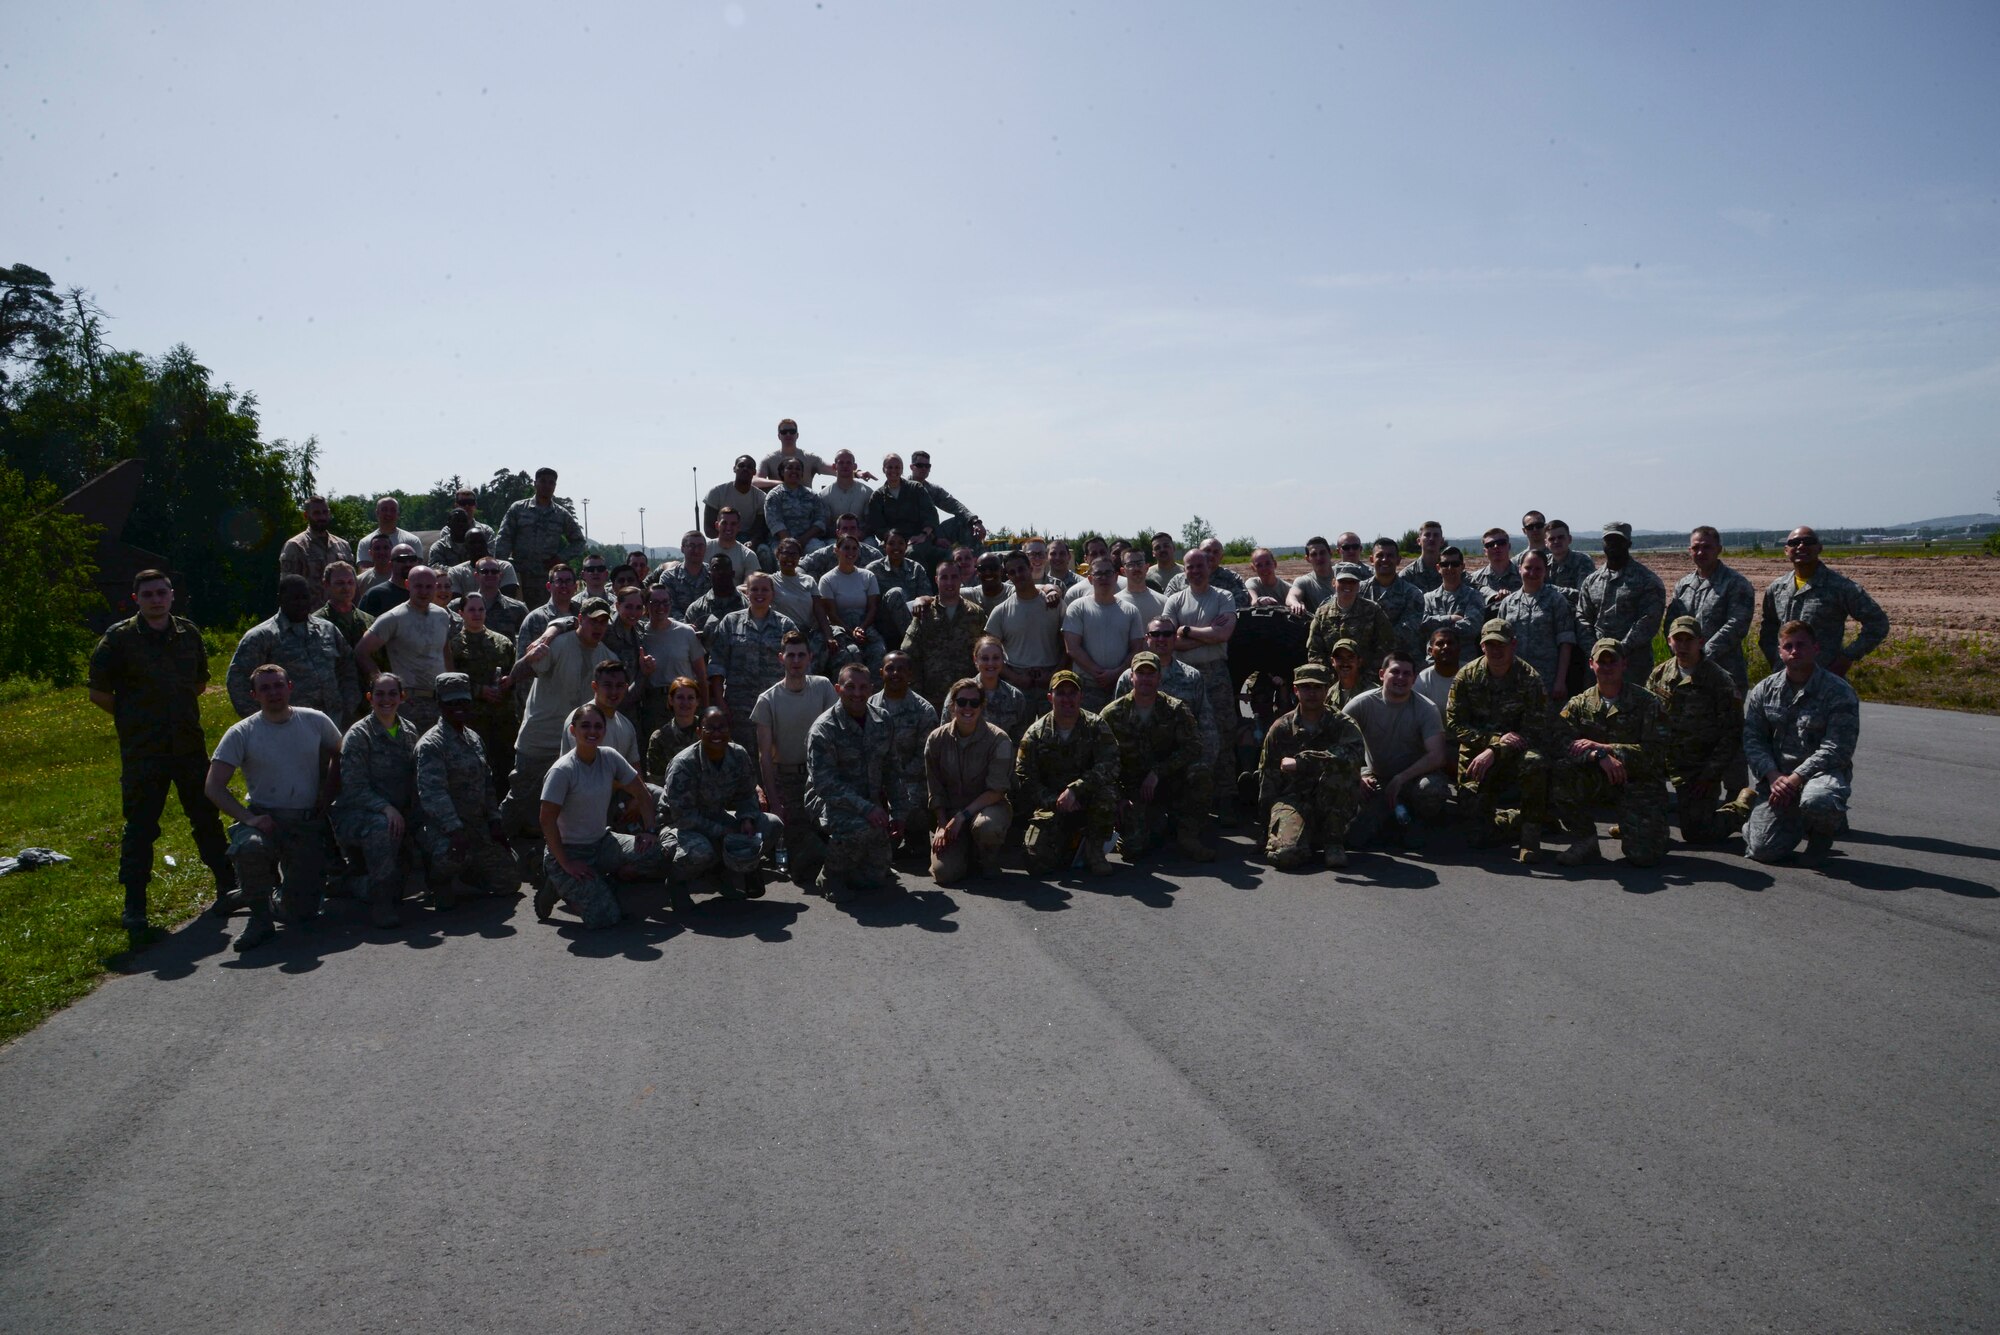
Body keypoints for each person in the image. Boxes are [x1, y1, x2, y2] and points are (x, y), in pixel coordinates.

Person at [88, 569, 237, 929]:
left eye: (161, 593)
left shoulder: (188, 633)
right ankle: (135, 905)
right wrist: (135, 719)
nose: (156, 599)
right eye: (148, 594)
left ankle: (229, 887)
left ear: (172, 595)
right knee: (140, 827)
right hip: (144, 751)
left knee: (205, 816)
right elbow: (99, 693)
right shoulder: (118, 639)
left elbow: (200, 684)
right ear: (136, 599)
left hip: (187, 745)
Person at [203, 664, 344, 951]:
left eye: (278, 685)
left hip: (305, 822)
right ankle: (260, 919)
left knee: (302, 914)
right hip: (264, 818)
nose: (273, 692)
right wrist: (248, 819)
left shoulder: (315, 721)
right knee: (249, 847)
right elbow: (213, 787)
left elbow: (341, 755)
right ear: (254, 695)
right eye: (265, 688)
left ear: (290, 687)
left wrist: (327, 794)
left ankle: (257, 893)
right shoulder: (242, 732)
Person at [1739, 618, 1861, 863]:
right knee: (1762, 850)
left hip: (1819, 776)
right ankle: (1778, 819)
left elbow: (1837, 748)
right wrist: (1772, 776)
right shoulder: (1764, 690)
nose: (1795, 651)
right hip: (1777, 779)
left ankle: (1822, 829)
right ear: (1780, 651)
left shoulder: (1838, 691)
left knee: (1819, 800)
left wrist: (1796, 779)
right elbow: (1753, 739)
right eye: (1789, 646)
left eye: (1802, 645)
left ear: (1816, 648)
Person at [536, 704, 667, 927]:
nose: (592, 731)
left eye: (598, 726)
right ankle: (557, 884)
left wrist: (650, 831)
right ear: (572, 731)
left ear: (604, 731)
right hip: (568, 852)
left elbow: (642, 793)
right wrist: (566, 863)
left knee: (656, 851)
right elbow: (546, 820)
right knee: (605, 919)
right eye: (585, 726)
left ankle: (603, 884)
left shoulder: (610, 757)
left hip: (601, 843)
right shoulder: (563, 770)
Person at [1549, 639, 1671, 867]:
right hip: (1598, 777)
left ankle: (1643, 829)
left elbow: (1656, 752)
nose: (1606, 667)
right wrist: (1597, 756)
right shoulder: (1579, 703)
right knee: (1560, 771)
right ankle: (1585, 841)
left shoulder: (1647, 703)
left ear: (1624, 664)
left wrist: (1609, 749)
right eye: (1600, 661)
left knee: (1643, 857)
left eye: (1612, 661)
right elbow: (1560, 742)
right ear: (1591, 664)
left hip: (1638, 782)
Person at [504, 596, 619, 835]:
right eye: (592, 621)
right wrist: (530, 656)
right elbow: (518, 672)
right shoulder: (556, 644)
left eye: (603, 622)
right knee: (520, 799)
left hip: (573, 746)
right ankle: (502, 844)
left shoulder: (608, 659)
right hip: (539, 738)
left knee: (563, 806)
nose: (598, 627)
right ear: (579, 620)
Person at [1444, 619, 1551, 862]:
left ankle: (1530, 838)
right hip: (1476, 753)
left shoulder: (1530, 678)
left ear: (1513, 644)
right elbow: (1454, 725)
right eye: (1490, 645)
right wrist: (1493, 742)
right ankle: (1522, 817)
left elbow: (1537, 729)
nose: (1496, 650)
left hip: (1517, 752)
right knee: (1477, 837)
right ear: (1482, 646)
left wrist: (1497, 750)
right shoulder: (1466, 676)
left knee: (1535, 762)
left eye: (1501, 644)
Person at [415, 673, 519, 906]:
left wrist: (494, 821)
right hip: (442, 829)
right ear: (440, 705)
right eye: (451, 703)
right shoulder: (431, 745)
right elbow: (433, 794)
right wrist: (455, 831)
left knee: (509, 881)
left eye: (463, 702)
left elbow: (487, 785)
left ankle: (467, 874)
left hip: (475, 826)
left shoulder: (474, 739)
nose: (458, 708)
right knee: (451, 856)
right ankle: (438, 880)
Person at [1100, 652, 1214, 863]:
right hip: (1133, 788)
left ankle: (1187, 835)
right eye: (1140, 673)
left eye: (1150, 674)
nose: (1145, 679)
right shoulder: (1112, 714)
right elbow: (1100, 760)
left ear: (1159, 678)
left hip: (1169, 781)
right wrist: (1118, 797)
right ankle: (1153, 824)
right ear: (1131, 677)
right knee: (1132, 850)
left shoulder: (1176, 708)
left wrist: (1158, 772)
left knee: (1200, 772)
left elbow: (1194, 747)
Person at [1647, 616, 1748, 844]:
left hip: (1699, 767)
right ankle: (1638, 821)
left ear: (1700, 641)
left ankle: (1738, 810)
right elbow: (1648, 720)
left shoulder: (1720, 680)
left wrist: (1710, 775)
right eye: (1677, 639)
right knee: (1643, 817)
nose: (1682, 646)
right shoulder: (1659, 674)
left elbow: (1731, 734)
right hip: (1665, 761)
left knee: (1697, 834)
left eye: (1688, 640)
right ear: (1669, 641)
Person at [331, 674, 422, 927]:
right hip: (358, 814)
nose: (386, 700)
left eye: (392, 693)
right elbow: (353, 787)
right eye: (379, 694)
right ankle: (380, 904)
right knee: (382, 829)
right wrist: (386, 808)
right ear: (370, 698)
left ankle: (363, 880)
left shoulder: (409, 730)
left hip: (397, 812)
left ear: (402, 697)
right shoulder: (359, 735)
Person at [665, 705, 781, 900]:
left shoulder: (738, 754)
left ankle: (724, 872)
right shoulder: (684, 764)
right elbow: (682, 817)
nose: (717, 734)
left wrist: (746, 819)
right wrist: (721, 831)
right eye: (710, 728)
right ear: (699, 731)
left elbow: (747, 794)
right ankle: (676, 881)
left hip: (717, 817)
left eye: (722, 728)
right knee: (701, 852)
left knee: (771, 825)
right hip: (679, 826)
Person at [1258, 662, 1367, 870]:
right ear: (1295, 690)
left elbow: (1353, 756)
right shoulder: (1281, 728)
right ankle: (1306, 835)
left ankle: (1333, 841)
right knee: (1285, 855)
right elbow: (1268, 777)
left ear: (1327, 690)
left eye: (1318, 687)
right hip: (1294, 799)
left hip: (1333, 800)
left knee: (1340, 770)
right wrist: (1266, 828)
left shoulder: (1342, 724)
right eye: (1306, 687)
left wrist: (1303, 762)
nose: (1312, 693)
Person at [806, 664, 899, 902]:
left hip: (870, 801)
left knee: (875, 879)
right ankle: (830, 875)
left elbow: (892, 769)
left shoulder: (882, 719)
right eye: (850, 687)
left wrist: (900, 812)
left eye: (863, 687)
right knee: (859, 827)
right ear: (838, 689)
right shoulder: (824, 728)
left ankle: (852, 864)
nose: (857, 693)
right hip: (829, 802)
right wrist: (867, 809)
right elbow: (824, 784)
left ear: (871, 689)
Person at [753, 632, 839, 887]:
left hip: (821, 777)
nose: (796, 660)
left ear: (810, 658)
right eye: (791, 655)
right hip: (787, 780)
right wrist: (775, 801)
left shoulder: (823, 687)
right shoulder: (767, 700)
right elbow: (765, 758)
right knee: (802, 850)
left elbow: (836, 735)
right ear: (781, 658)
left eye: (802, 655)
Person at [1013, 671, 1119, 877]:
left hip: (1088, 799)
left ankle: (1094, 849)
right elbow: (1025, 778)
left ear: (1081, 696)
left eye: (1072, 693)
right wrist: (1056, 801)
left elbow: (1111, 764)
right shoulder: (1035, 734)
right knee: (1037, 863)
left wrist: (1076, 790)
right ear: (1050, 697)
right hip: (1051, 805)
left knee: (1107, 793)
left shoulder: (1096, 726)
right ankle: (1069, 844)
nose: (1067, 699)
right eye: (1061, 693)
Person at [1343, 650, 1450, 849]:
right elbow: (1336, 745)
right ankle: (1389, 818)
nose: (1401, 678)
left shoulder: (1427, 708)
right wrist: (1356, 776)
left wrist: (1401, 778)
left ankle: (1419, 821)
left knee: (1431, 789)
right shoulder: (1361, 704)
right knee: (1353, 838)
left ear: (1414, 678)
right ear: (1382, 674)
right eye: (1395, 672)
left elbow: (1437, 756)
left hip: (1413, 778)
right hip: (1375, 777)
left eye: (1406, 673)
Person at [1757, 526, 1890, 678]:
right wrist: (1776, 658)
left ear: (1819, 548)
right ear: (1786, 550)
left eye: (1808, 542)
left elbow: (1878, 623)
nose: (1801, 546)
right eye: (1795, 543)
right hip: (1784, 678)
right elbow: (1769, 627)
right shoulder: (1777, 588)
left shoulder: (1841, 587)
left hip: (1825, 678)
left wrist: (1847, 658)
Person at [228, 574, 358, 721]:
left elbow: (348, 667)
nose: (301, 603)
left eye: (304, 597)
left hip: (335, 721)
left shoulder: (327, 630)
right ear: (281, 599)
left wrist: (348, 706)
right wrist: (262, 721)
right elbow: (237, 681)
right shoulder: (262, 636)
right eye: (294, 598)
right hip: (289, 726)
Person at [924, 678, 1015, 884]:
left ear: (982, 706)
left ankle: (986, 858)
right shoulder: (936, 739)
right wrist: (941, 825)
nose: (968, 708)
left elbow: (997, 790)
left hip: (987, 808)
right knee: (944, 875)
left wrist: (961, 817)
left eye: (974, 703)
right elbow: (935, 788)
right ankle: (964, 850)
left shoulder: (998, 739)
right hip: (951, 814)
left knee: (986, 827)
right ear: (952, 705)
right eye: (962, 702)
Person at [1161, 549, 1239, 790]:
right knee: (1182, 735)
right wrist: (1208, 636)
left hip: (1215, 673)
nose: (1195, 571)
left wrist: (1185, 630)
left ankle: (1225, 796)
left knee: (1223, 733)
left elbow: (1224, 633)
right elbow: (1168, 640)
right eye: (1189, 567)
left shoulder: (1223, 597)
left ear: (1209, 567)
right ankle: (1189, 796)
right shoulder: (1174, 600)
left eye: (1199, 566)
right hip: (1182, 675)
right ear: (1184, 571)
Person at [355, 565, 453, 733]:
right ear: (408, 585)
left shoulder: (442, 615)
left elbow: (445, 652)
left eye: (429, 586)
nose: (424, 591)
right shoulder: (393, 618)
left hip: (439, 699)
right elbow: (361, 651)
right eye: (418, 586)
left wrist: (452, 687)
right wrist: (382, 685)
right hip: (409, 702)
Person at [711, 571, 801, 746]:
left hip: (776, 704)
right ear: (746, 593)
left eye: (765, 590)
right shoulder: (730, 622)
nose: (760, 594)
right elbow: (717, 664)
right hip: (739, 708)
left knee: (775, 758)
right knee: (743, 759)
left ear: (773, 594)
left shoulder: (785, 625)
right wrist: (720, 703)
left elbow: (798, 664)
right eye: (755, 589)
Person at [1115, 618, 1219, 768]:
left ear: (1175, 638)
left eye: (1167, 634)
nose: (1161, 639)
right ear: (1147, 638)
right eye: (1155, 634)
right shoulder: (1128, 678)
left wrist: (1204, 765)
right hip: (1136, 764)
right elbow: (1115, 725)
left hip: (1180, 764)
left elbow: (1207, 726)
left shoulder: (1192, 677)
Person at [1665, 526, 1756, 695]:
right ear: (1689, 551)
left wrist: (1701, 655)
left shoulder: (1736, 584)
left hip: (1724, 674)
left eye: (1707, 547)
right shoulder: (1683, 585)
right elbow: (1671, 623)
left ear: (1719, 549)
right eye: (1696, 548)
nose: (1701, 552)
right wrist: (1680, 651)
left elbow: (1737, 625)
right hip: (1685, 674)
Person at [443, 591, 516, 796]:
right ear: (461, 613)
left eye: (481, 609)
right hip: (471, 722)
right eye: (471, 610)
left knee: (503, 772)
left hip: (502, 721)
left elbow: (515, 678)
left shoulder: (503, 643)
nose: (477, 614)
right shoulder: (453, 647)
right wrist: (478, 691)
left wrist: (506, 684)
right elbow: (450, 682)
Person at [870, 652, 939, 858]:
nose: (895, 673)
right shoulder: (868, 706)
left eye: (901, 669)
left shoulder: (924, 710)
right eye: (890, 668)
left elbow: (924, 757)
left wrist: (895, 789)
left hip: (911, 781)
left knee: (910, 808)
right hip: (876, 781)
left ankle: (915, 835)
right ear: (881, 672)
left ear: (910, 674)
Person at [1577, 521, 1667, 671]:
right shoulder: (1591, 581)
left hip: (1634, 664)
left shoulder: (1647, 580)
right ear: (1603, 543)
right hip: (1598, 664)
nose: (1613, 544)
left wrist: (1619, 651)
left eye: (1619, 541)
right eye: (1609, 540)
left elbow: (1649, 620)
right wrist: (1594, 651)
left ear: (1629, 544)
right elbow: (1582, 617)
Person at [901, 558, 988, 710]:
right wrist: (917, 691)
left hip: (967, 699)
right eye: (944, 577)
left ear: (961, 579)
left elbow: (985, 654)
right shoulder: (924, 613)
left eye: (954, 577)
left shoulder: (975, 614)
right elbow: (909, 652)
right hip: (932, 697)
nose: (949, 582)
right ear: (936, 580)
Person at [984, 551, 1067, 709]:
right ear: (1007, 576)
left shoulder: (1055, 604)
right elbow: (989, 653)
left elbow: (1068, 647)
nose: (1018, 575)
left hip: (1051, 680)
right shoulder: (1001, 611)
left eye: (1021, 569)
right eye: (1012, 572)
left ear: (1030, 568)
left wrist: (1053, 675)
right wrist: (1015, 677)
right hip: (1017, 683)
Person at [1496, 550, 1578, 705]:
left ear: (1545, 571)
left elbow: (1565, 643)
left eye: (1538, 569)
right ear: (1520, 569)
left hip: (1547, 679)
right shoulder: (1508, 603)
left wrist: (1560, 681)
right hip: (1514, 679)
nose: (1532, 573)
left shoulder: (1556, 601)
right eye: (1528, 568)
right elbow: (1500, 642)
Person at [495, 467, 586, 608]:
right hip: (519, 574)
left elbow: (579, 542)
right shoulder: (518, 509)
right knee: (513, 612)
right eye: (543, 481)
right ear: (535, 483)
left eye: (551, 483)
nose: (547, 486)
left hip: (545, 577)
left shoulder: (561, 514)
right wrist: (501, 566)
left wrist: (560, 558)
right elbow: (503, 538)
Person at [1063, 556, 1145, 712]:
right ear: (1090, 578)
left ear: (1116, 577)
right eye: (1098, 574)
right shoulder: (1077, 607)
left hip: (1121, 686)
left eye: (1108, 573)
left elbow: (1137, 648)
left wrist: (1116, 673)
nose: (1104, 578)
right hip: (1086, 687)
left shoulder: (1131, 611)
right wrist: (1098, 673)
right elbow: (1072, 648)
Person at [638, 586, 707, 746]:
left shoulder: (685, 633)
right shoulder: (640, 634)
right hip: (655, 704)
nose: (661, 607)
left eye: (665, 602)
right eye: (655, 602)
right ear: (646, 605)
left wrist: (705, 709)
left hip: (685, 701)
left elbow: (702, 676)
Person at [818, 534, 887, 677]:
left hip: (865, 626)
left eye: (855, 548)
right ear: (836, 550)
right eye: (846, 548)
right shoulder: (827, 580)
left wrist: (862, 628)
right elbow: (831, 614)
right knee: (851, 653)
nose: (851, 552)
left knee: (879, 651)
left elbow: (873, 607)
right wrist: (850, 632)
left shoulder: (868, 576)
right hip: (840, 628)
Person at [1305, 562, 1394, 669]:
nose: (1347, 585)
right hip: (1331, 677)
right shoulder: (1322, 613)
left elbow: (1387, 646)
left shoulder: (1373, 610)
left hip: (1366, 677)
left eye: (1352, 582)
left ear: (1358, 585)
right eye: (1342, 581)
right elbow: (1315, 651)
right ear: (1334, 583)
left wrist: (1369, 675)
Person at [559, 658, 642, 770]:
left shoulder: (627, 726)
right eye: (607, 685)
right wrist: (627, 784)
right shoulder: (580, 720)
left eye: (619, 686)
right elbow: (586, 771)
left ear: (626, 688)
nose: (613, 692)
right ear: (595, 687)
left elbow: (635, 770)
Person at [278, 496, 353, 605]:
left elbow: (352, 583)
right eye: (317, 513)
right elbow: (287, 588)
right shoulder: (296, 546)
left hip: (340, 614)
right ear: (306, 515)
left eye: (325, 512)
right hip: (309, 615)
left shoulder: (342, 545)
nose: (322, 517)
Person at [867, 529, 934, 649]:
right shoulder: (873, 569)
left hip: (914, 618)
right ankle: (914, 644)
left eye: (901, 543)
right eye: (891, 544)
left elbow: (928, 596)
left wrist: (921, 599)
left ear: (906, 545)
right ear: (884, 546)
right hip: (884, 624)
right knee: (896, 593)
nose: (896, 547)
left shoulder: (916, 568)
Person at [1360, 537, 1426, 655]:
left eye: (1390, 555)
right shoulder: (1359, 590)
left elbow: (1407, 632)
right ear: (1371, 559)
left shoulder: (1413, 594)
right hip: (1366, 657)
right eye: (1380, 555)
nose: (1385, 559)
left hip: (1401, 658)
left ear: (1398, 560)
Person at [1420, 545, 1484, 660]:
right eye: (1445, 564)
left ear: (1462, 567)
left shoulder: (1473, 596)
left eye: (1455, 564)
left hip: (1463, 663)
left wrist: (1435, 625)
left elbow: (1471, 628)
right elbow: (1421, 624)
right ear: (1438, 568)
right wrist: (1450, 619)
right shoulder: (1428, 598)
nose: (1450, 568)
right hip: (1433, 663)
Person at [762, 455, 830, 564]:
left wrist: (803, 540)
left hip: (808, 540)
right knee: (783, 558)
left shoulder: (812, 495)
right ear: (782, 472)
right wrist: (791, 544)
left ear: (802, 473)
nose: (794, 471)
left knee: (818, 553)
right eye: (789, 468)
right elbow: (775, 522)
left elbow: (820, 520)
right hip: (781, 540)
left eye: (798, 469)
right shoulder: (774, 496)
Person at [451, 555, 528, 644]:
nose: (490, 574)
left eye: (494, 571)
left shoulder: (517, 609)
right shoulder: (457, 606)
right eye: (485, 571)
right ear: (476, 575)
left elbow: (527, 641)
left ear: (500, 575)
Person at [972, 635, 1033, 743]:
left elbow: (1022, 739)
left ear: (1003, 660)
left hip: (1004, 758)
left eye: (996, 658)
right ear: (975, 660)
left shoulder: (1015, 697)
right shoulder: (961, 694)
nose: (990, 663)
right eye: (985, 658)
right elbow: (947, 734)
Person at [646, 677, 707, 786]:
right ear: (671, 700)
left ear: (697, 701)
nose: (685, 702)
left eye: (690, 698)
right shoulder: (659, 738)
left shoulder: (709, 730)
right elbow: (656, 782)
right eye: (680, 697)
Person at [514, 563, 580, 653]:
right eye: (559, 581)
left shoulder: (583, 615)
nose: (564, 586)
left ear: (575, 587)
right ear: (549, 586)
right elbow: (522, 659)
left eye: (568, 581)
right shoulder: (534, 619)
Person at [683, 553, 748, 644]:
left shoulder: (747, 605)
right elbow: (688, 644)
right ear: (709, 575)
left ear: (733, 573)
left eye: (725, 568)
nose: (721, 572)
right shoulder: (696, 609)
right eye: (716, 568)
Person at [705, 454, 769, 544]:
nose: (745, 469)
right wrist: (728, 542)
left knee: (764, 551)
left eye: (749, 467)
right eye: (741, 466)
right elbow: (709, 529)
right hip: (721, 538)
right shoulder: (716, 492)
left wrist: (752, 543)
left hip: (748, 540)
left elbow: (759, 530)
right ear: (734, 469)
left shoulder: (761, 498)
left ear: (754, 472)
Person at [801, 513, 882, 579]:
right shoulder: (826, 553)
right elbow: (802, 565)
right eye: (845, 529)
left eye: (853, 528)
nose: (849, 532)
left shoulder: (873, 555)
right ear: (838, 533)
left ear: (858, 531)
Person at [353, 496, 423, 567]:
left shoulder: (412, 541)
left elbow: (417, 571)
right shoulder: (365, 542)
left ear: (398, 514)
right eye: (384, 509)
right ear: (377, 513)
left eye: (393, 510)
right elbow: (364, 572)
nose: (388, 513)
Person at [655, 531, 713, 612]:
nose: (696, 550)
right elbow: (669, 609)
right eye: (691, 546)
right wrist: (686, 624)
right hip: (678, 623)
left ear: (705, 549)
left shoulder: (713, 574)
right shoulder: (669, 577)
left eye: (700, 546)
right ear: (682, 548)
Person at [819, 449, 874, 531]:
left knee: (871, 542)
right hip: (834, 539)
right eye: (841, 463)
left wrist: (861, 535)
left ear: (855, 466)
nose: (845, 466)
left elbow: (870, 522)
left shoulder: (867, 492)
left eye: (848, 463)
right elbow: (825, 524)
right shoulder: (824, 495)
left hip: (862, 539)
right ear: (834, 466)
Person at [1542, 520, 1597, 598]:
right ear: (1546, 543)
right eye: (1551, 539)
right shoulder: (1542, 562)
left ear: (1569, 539)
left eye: (1560, 537)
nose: (1556, 541)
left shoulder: (1583, 561)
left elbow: (1584, 593)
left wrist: (1549, 589)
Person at [1469, 528, 1523, 608]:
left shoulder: (1524, 575)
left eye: (1501, 543)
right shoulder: (1475, 579)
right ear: (1485, 551)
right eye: (1490, 545)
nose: (1496, 546)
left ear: (1509, 546)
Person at [359, 543, 420, 615]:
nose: (408, 564)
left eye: (412, 559)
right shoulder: (375, 595)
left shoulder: (424, 593)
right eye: (401, 560)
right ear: (390, 564)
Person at [1285, 537, 1339, 615]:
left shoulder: (1343, 575)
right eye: (1314, 554)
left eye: (1322, 553)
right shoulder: (1305, 582)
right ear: (1307, 559)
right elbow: (1291, 597)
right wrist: (1295, 603)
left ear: (1330, 554)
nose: (1319, 558)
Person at [711, 506, 759, 587]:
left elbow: (749, 587)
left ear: (738, 527)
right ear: (717, 525)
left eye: (733, 524)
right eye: (724, 523)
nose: (728, 527)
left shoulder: (748, 555)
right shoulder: (704, 549)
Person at [1399, 521, 1447, 593]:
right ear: (1419, 541)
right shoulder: (1407, 575)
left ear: (1442, 541)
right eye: (1427, 535)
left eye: (1436, 535)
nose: (1431, 539)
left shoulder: (1451, 571)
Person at [427, 507, 478, 572]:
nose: (461, 524)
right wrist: (460, 571)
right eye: (457, 521)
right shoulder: (439, 547)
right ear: (448, 524)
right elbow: (435, 568)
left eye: (464, 521)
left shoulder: (476, 544)